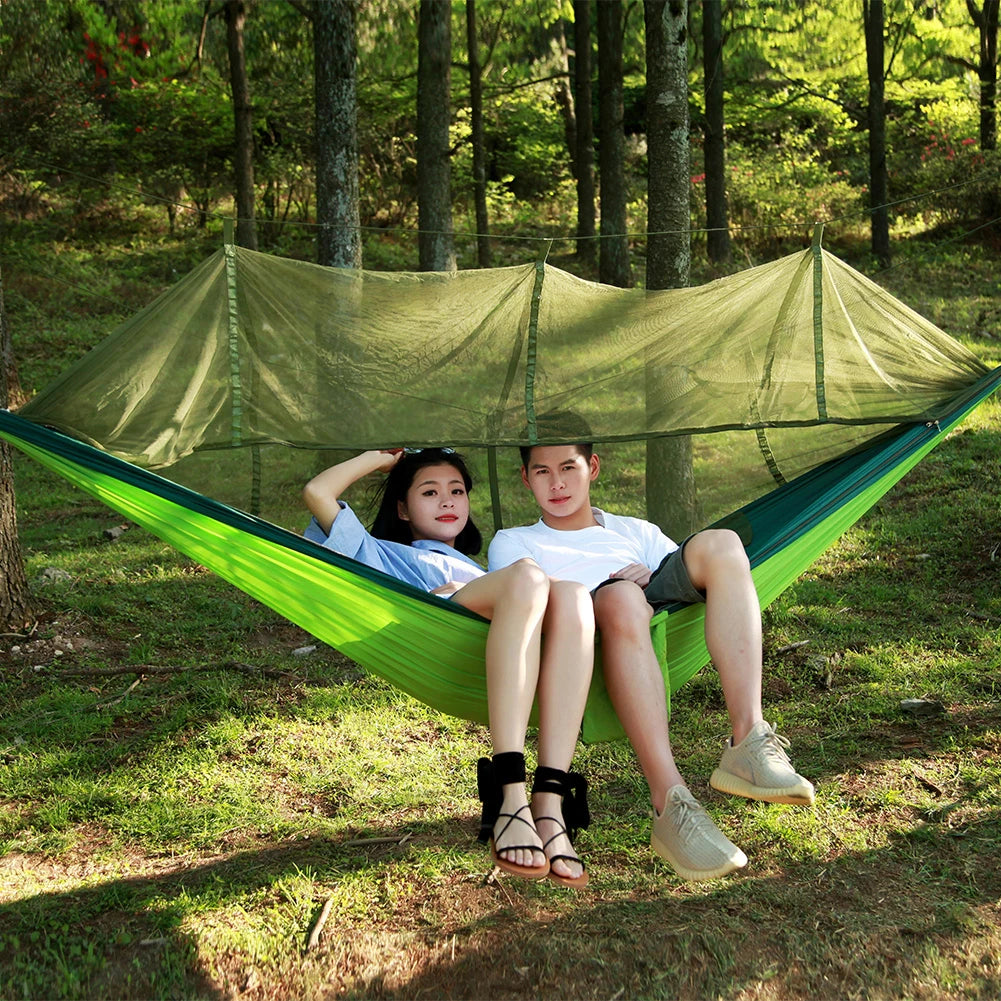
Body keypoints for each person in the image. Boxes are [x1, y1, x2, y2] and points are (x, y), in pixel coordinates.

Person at [487, 415, 814, 882]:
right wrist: (615, 583)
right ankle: (670, 801)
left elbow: (676, 568)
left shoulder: (633, 530)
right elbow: (529, 597)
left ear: (593, 467)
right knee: (620, 597)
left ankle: (749, 738)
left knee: (722, 543)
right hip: (588, 616)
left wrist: (644, 575)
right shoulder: (515, 541)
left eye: (569, 468)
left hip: (649, 597)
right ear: (525, 478)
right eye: (542, 472)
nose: (557, 484)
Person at [303, 447, 594, 887]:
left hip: (503, 638)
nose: (447, 501)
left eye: (457, 491)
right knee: (529, 575)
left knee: (573, 594)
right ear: (402, 508)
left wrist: (478, 586)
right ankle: (510, 792)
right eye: (430, 492)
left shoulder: (477, 567)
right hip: (437, 625)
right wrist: (380, 459)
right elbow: (318, 492)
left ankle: (550, 802)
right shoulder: (381, 552)